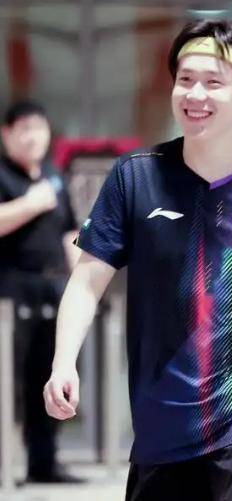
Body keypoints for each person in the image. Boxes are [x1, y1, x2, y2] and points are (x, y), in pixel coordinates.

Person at [43, 20, 232, 500]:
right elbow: (86, 281)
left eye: (213, 82)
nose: (195, 94)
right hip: (162, 427)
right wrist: (64, 362)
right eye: (185, 80)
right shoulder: (134, 178)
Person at [0, 101, 83, 483]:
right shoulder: (5, 175)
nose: (33, 137)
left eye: (39, 129)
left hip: (53, 287)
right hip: (10, 290)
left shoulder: (54, 176)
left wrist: (83, 281)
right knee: (8, 378)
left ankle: (44, 462)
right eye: (24, 129)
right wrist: (30, 204)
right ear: (7, 134)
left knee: (48, 375)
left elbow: (69, 232)